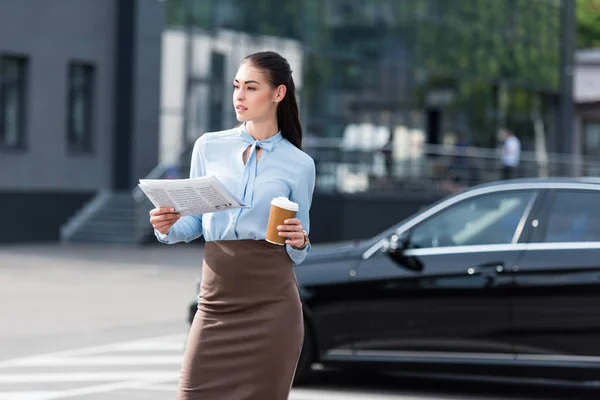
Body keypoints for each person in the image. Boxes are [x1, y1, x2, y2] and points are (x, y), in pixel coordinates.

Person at [149, 51, 316, 400]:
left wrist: (300, 241)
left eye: (251, 87)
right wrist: (166, 225)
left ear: (278, 94)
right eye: (237, 86)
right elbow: (193, 223)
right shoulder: (209, 146)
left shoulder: (300, 164)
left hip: (273, 306)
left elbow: (298, 252)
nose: (239, 96)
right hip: (215, 303)